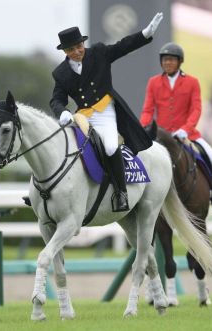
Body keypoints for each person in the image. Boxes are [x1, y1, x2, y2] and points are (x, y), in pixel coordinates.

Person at [50, 13, 163, 212]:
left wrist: (145, 34)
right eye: (71, 49)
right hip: (83, 115)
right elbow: (56, 99)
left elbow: (122, 47)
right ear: (65, 51)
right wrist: (61, 112)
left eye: (79, 47)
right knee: (65, 145)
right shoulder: (60, 73)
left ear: (82, 44)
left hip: (105, 111)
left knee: (110, 147)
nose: (77, 52)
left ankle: (121, 192)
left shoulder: (99, 53)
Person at [140, 42, 212, 216]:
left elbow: (196, 109)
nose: (167, 63)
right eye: (164, 60)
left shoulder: (192, 82)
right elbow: (147, 110)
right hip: (161, 135)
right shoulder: (154, 82)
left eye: (171, 60)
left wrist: (186, 128)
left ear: (180, 61)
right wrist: (145, 126)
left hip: (187, 135)